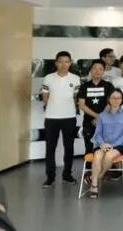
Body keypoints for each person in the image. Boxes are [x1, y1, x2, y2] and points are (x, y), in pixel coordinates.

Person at [41, 51, 81, 188]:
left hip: (69, 117)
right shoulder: (48, 78)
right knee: (50, 148)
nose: (63, 64)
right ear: (56, 63)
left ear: (70, 63)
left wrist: (70, 108)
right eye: (60, 61)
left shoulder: (75, 78)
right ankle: (50, 177)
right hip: (51, 118)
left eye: (66, 61)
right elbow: (45, 97)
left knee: (69, 147)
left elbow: (76, 98)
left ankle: (67, 175)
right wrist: (52, 107)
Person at [89, 89, 123, 198]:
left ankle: (99, 175)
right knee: (97, 156)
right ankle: (94, 185)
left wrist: (113, 145)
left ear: (122, 100)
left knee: (109, 155)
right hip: (103, 144)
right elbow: (97, 134)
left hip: (120, 145)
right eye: (113, 98)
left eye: (119, 98)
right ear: (109, 100)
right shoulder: (101, 116)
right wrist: (103, 144)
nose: (116, 100)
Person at [77, 59, 114, 168]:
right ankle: (88, 171)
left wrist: (100, 118)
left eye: (100, 69)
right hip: (89, 122)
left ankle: (106, 171)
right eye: (95, 68)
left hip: (106, 122)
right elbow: (82, 105)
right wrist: (97, 116)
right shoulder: (84, 86)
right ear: (91, 70)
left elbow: (111, 103)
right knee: (89, 148)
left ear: (103, 71)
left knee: (107, 148)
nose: (97, 71)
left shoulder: (108, 86)